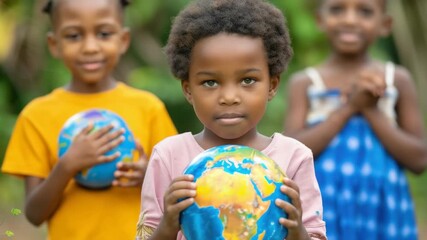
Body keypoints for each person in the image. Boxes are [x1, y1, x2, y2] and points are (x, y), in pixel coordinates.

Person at [135, 0, 327, 239]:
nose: (229, 97)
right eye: (210, 82)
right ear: (188, 90)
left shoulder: (294, 158)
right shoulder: (168, 157)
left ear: (272, 85)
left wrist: (297, 230)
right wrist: (168, 224)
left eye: (247, 80)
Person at [0, 0, 177, 239]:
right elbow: (34, 213)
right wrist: (67, 166)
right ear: (54, 44)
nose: (90, 47)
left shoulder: (148, 108)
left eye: (104, 33)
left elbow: (178, 189)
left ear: (123, 40)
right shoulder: (36, 115)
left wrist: (148, 176)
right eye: (74, 36)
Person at [283, 0, 427, 239]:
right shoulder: (306, 83)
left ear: (385, 24)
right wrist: (350, 107)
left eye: (365, 11)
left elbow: (419, 159)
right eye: (338, 9)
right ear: (320, 20)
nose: (350, 19)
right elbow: (292, 156)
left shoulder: (397, 79)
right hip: (325, 205)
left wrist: (371, 110)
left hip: (384, 205)